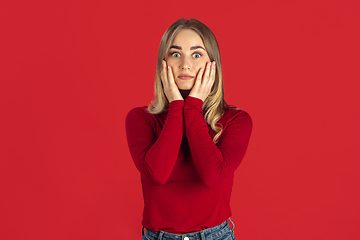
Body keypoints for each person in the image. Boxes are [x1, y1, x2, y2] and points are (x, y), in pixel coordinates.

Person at [125, 18, 252, 240]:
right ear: (162, 63)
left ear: (213, 64)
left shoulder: (236, 120)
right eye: (175, 54)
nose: (185, 64)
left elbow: (212, 175)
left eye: (196, 54)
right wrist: (176, 107)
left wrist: (192, 107)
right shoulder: (140, 119)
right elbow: (157, 174)